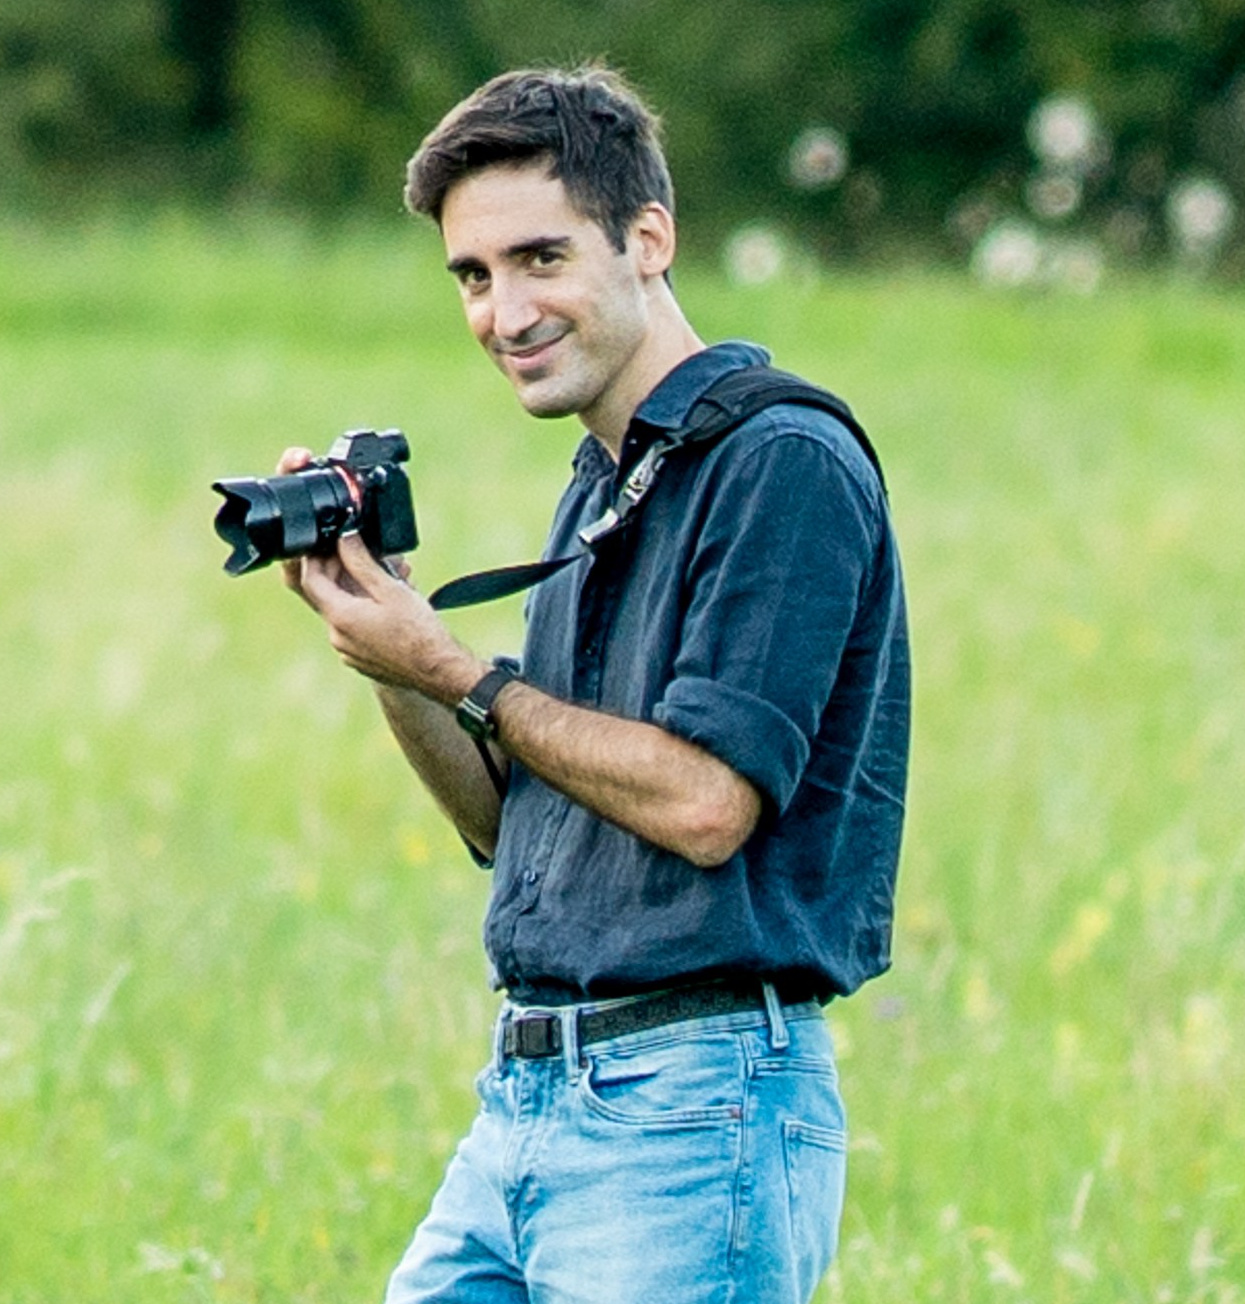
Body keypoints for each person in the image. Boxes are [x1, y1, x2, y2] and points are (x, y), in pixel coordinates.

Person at [279, 65, 909, 1304]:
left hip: (690, 1108)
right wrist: (388, 643)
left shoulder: (779, 460)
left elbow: (706, 804)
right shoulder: (610, 479)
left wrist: (455, 666)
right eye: (473, 275)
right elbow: (507, 814)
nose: (504, 312)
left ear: (647, 238)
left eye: (540, 259)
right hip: (528, 1095)